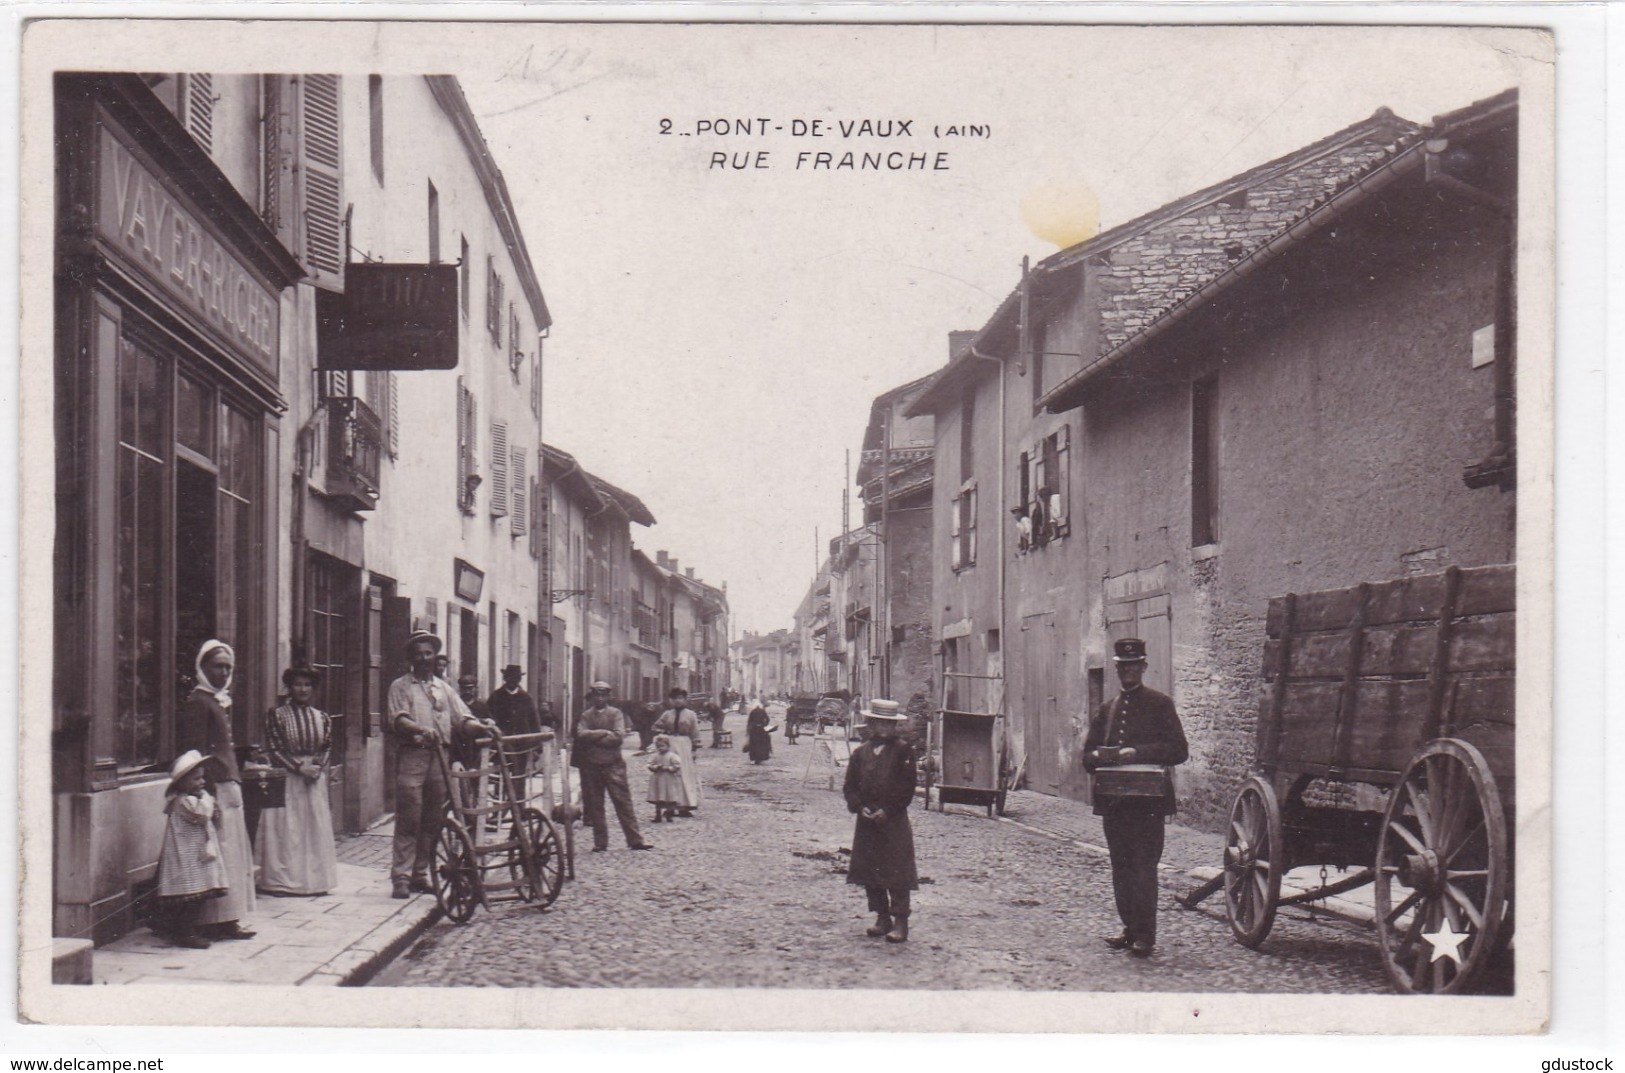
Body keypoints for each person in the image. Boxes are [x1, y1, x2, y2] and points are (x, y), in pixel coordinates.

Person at [1082, 637, 1190, 958]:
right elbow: (1087, 757)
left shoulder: (1161, 705)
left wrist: (1135, 753)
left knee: (1144, 867)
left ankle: (1146, 936)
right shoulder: (1107, 711)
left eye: (1134, 665)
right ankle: (1129, 929)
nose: (1129, 671)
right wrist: (1103, 755)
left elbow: (1178, 750)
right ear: (1117, 669)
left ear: (1143, 667)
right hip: (1115, 805)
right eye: (1123, 666)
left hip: (1148, 805)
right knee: (1121, 868)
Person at [387, 631, 496, 899]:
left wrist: (482, 727)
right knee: (409, 818)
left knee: (432, 820)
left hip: (440, 759)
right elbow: (398, 719)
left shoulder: (444, 688)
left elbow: (463, 719)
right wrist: (421, 729)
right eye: (419, 653)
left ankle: (420, 874)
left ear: (434, 656)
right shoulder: (400, 686)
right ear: (411, 657)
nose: (424, 658)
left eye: (428, 653)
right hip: (413, 756)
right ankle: (400, 877)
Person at [174, 639, 256, 941]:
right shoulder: (198, 701)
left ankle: (227, 918)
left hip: (229, 784)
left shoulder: (218, 700)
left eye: (228, 667)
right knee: (213, 855)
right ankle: (204, 921)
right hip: (214, 787)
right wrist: (205, 793)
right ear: (203, 668)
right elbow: (195, 753)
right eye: (217, 666)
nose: (223, 672)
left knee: (231, 855)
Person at [255, 666, 338, 897]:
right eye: (297, 684)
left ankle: (313, 881)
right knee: (287, 827)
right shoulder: (277, 715)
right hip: (288, 778)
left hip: (313, 779)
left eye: (307, 684)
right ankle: (281, 881)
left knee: (312, 825)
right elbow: (274, 748)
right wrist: (299, 768)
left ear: (313, 688)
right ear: (289, 688)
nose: (302, 689)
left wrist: (317, 768)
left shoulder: (322, 717)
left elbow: (327, 746)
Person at [843, 699, 919, 943]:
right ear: (871, 724)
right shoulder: (859, 753)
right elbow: (850, 786)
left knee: (897, 871)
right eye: (879, 723)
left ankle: (900, 922)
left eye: (889, 723)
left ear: (895, 726)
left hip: (893, 822)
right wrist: (859, 807)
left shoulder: (903, 752)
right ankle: (882, 918)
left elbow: (906, 788)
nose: (884, 728)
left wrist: (888, 810)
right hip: (866, 823)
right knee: (870, 871)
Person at [152, 749, 228, 949]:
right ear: (182, 783)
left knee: (197, 892)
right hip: (184, 854)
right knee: (187, 895)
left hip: (196, 852)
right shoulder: (183, 801)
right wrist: (209, 800)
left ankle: (189, 929)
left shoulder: (196, 798)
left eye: (202, 778)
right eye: (196, 780)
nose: (201, 783)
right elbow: (202, 813)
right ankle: (184, 932)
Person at [573, 681, 654, 851]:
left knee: (623, 801)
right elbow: (580, 734)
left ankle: (635, 840)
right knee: (596, 804)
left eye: (603, 695)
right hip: (593, 765)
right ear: (593, 696)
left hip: (613, 764)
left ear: (608, 697)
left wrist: (593, 737)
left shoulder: (616, 714)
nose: (600, 698)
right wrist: (603, 733)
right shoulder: (586, 715)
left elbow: (617, 737)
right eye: (597, 694)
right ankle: (600, 842)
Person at [651, 687, 703, 816]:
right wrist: (663, 735)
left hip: (685, 745)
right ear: (671, 701)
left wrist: (694, 749)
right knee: (670, 774)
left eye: (680, 698)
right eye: (675, 699)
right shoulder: (667, 714)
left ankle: (684, 806)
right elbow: (656, 726)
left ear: (685, 700)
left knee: (684, 773)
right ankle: (670, 806)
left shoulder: (691, 715)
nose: (678, 701)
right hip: (670, 745)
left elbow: (695, 732)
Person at [645, 734, 684, 823]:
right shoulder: (655, 756)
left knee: (669, 796)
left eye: (662, 746)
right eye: (658, 746)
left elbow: (677, 765)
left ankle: (669, 814)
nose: (660, 748)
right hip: (658, 779)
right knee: (658, 797)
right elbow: (649, 764)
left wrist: (668, 768)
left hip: (668, 779)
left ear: (668, 746)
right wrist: (655, 767)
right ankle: (657, 815)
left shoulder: (672, 756)